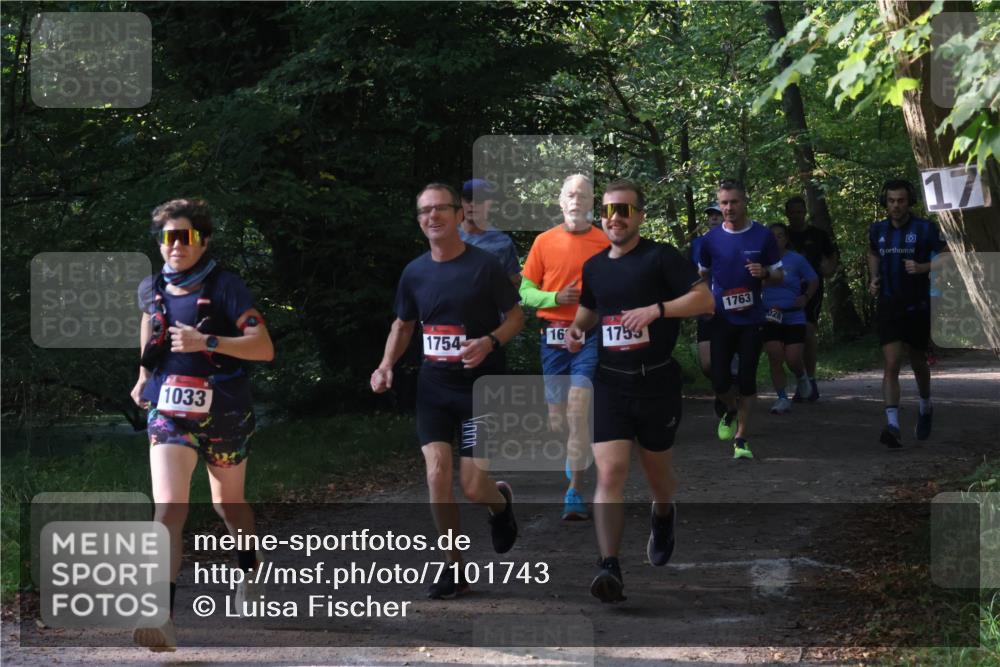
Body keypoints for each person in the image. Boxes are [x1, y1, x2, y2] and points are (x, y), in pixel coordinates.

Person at [130, 199, 275, 651]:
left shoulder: (227, 287)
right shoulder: (150, 287)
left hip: (225, 407)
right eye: (166, 237)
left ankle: (250, 567)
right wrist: (143, 376)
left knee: (228, 506)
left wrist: (207, 340)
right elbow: (149, 324)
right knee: (169, 507)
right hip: (170, 409)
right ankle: (162, 616)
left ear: (203, 240)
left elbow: (264, 348)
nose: (175, 246)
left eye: (184, 236)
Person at [371, 183, 523, 598]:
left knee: (473, 487)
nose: (432, 217)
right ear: (419, 220)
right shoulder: (414, 272)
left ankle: (500, 505)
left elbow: (515, 317)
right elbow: (402, 325)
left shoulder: (485, 266)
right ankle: (453, 566)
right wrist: (386, 365)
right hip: (433, 388)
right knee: (437, 474)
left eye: (440, 209)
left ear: (459, 215)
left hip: (481, 390)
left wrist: (489, 341)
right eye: (424, 211)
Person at [565, 179, 714, 603]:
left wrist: (658, 309)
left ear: (640, 216)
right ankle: (608, 565)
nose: (616, 218)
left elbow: (706, 302)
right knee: (610, 473)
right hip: (610, 382)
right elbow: (591, 310)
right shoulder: (594, 266)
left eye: (625, 210)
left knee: (658, 479)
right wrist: (577, 329)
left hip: (657, 383)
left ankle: (662, 513)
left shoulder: (661, 258)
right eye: (610, 210)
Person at [520, 174, 608, 521]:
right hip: (551, 338)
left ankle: (574, 491)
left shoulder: (604, 242)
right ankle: (573, 457)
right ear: (560, 201)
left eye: (583, 195)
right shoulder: (544, 242)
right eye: (570, 195)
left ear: (591, 203)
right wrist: (555, 297)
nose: (576, 200)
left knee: (577, 409)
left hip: (588, 335)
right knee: (558, 420)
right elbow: (525, 293)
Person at [698, 179, 784, 460]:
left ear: (745, 202)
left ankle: (741, 438)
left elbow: (779, 274)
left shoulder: (762, 236)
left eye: (734, 202)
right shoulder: (709, 240)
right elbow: (703, 275)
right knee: (720, 380)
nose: (728, 208)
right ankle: (730, 410)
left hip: (752, 319)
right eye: (723, 203)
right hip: (721, 319)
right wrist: (707, 300)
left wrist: (764, 274)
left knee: (747, 380)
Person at [867, 179, 947, 448]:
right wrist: (873, 278)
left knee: (918, 362)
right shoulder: (877, 229)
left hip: (918, 304)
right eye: (891, 201)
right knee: (891, 364)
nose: (896, 206)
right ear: (885, 202)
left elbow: (948, 256)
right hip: (889, 304)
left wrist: (924, 267)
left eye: (901, 200)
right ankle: (892, 425)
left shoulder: (925, 228)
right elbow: (873, 253)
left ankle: (925, 404)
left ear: (909, 201)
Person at [783, 196, 839, 401]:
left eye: (800, 211)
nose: (796, 215)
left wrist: (829, 269)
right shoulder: (783, 236)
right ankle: (800, 379)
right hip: (785, 291)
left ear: (805, 212)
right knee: (785, 339)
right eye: (793, 212)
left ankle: (811, 381)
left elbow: (832, 254)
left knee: (807, 332)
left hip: (811, 289)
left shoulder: (818, 235)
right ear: (787, 214)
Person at [762, 223, 819, 414]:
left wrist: (806, 297)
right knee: (774, 354)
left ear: (786, 239)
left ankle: (802, 377)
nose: (776, 239)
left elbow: (813, 279)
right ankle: (782, 398)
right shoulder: (761, 261)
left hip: (793, 315)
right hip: (771, 315)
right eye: (772, 236)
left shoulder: (797, 260)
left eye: (780, 235)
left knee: (793, 358)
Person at [690, 202, 725, 417]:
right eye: (711, 215)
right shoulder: (696, 244)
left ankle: (727, 397)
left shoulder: (734, 241)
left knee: (726, 356)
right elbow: (688, 275)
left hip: (729, 307)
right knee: (707, 364)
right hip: (705, 307)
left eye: (717, 214)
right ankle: (723, 389)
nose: (714, 218)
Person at [460, 178, 521, 286]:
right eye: (468, 198)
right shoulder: (446, 237)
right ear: (462, 202)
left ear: (489, 203)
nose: (473, 204)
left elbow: (514, 283)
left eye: (479, 199)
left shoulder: (503, 243)